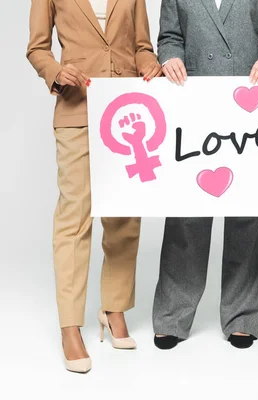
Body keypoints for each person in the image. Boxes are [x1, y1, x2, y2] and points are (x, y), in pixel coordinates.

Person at [26, 0, 161, 373]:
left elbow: (142, 45)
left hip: (127, 111)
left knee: (125, 216)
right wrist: (56, 71)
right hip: (77, 110)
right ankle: (70, 327)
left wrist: (148, 63)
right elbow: (37, 48)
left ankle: (113, 308)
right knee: (74, 218)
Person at [152, 0, 258, 350]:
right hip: (194, 105)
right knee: (187, 213)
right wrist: (170, 59)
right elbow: (168, 36)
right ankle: (172, 315)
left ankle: (242, 316)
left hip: (251, 106)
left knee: (249, 210)